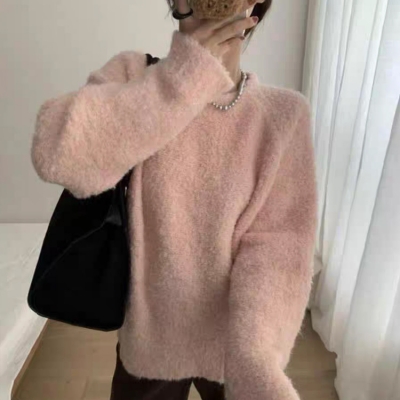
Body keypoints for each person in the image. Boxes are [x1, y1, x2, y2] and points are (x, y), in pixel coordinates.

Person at [30, 0, 318, 399]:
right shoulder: (135, 76)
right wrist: (183, 77)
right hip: (149, 343)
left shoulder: (282, 115)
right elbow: (57, 156)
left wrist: (255, 355)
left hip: (238, 347)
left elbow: (279, 244)